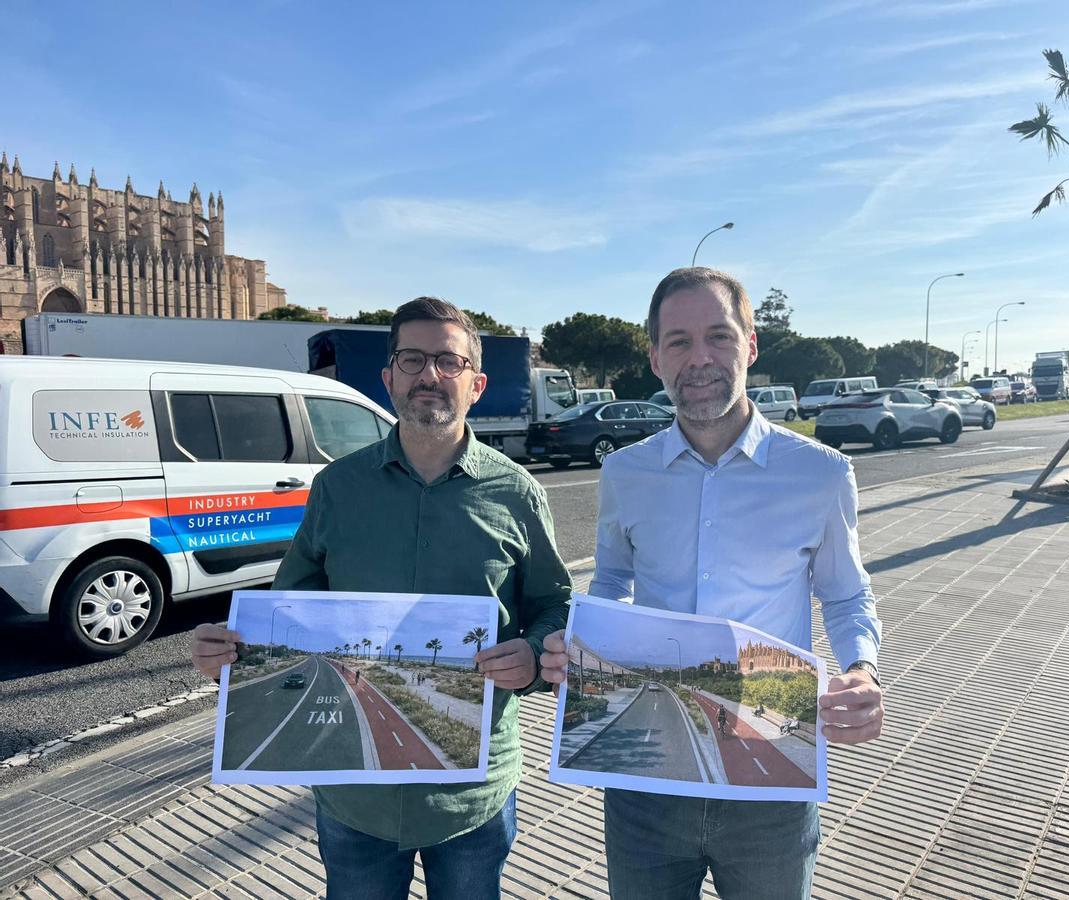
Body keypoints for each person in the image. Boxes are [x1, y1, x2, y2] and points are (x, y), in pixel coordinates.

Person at [191, 297, 571, 900]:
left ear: (477, 383)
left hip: (469, 791)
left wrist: (530, 657)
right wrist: (233, 658)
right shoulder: (337, 488)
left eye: (449, 361)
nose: (429, 375)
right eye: (413, 359)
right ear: (388, 376)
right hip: (354, 790)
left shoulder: (517, 492)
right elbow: (291, 610)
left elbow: (556, 605)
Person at [541, 268, 883, 900]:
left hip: (770, 765)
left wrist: (861, 669)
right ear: (654, 357)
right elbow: (614, 575)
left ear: (750, 345)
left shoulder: (821, 473)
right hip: (645, 767)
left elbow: (845, 593)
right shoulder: (625, 471)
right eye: (678, 341)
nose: (699, 359)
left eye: (718, 337)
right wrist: (585, 633)